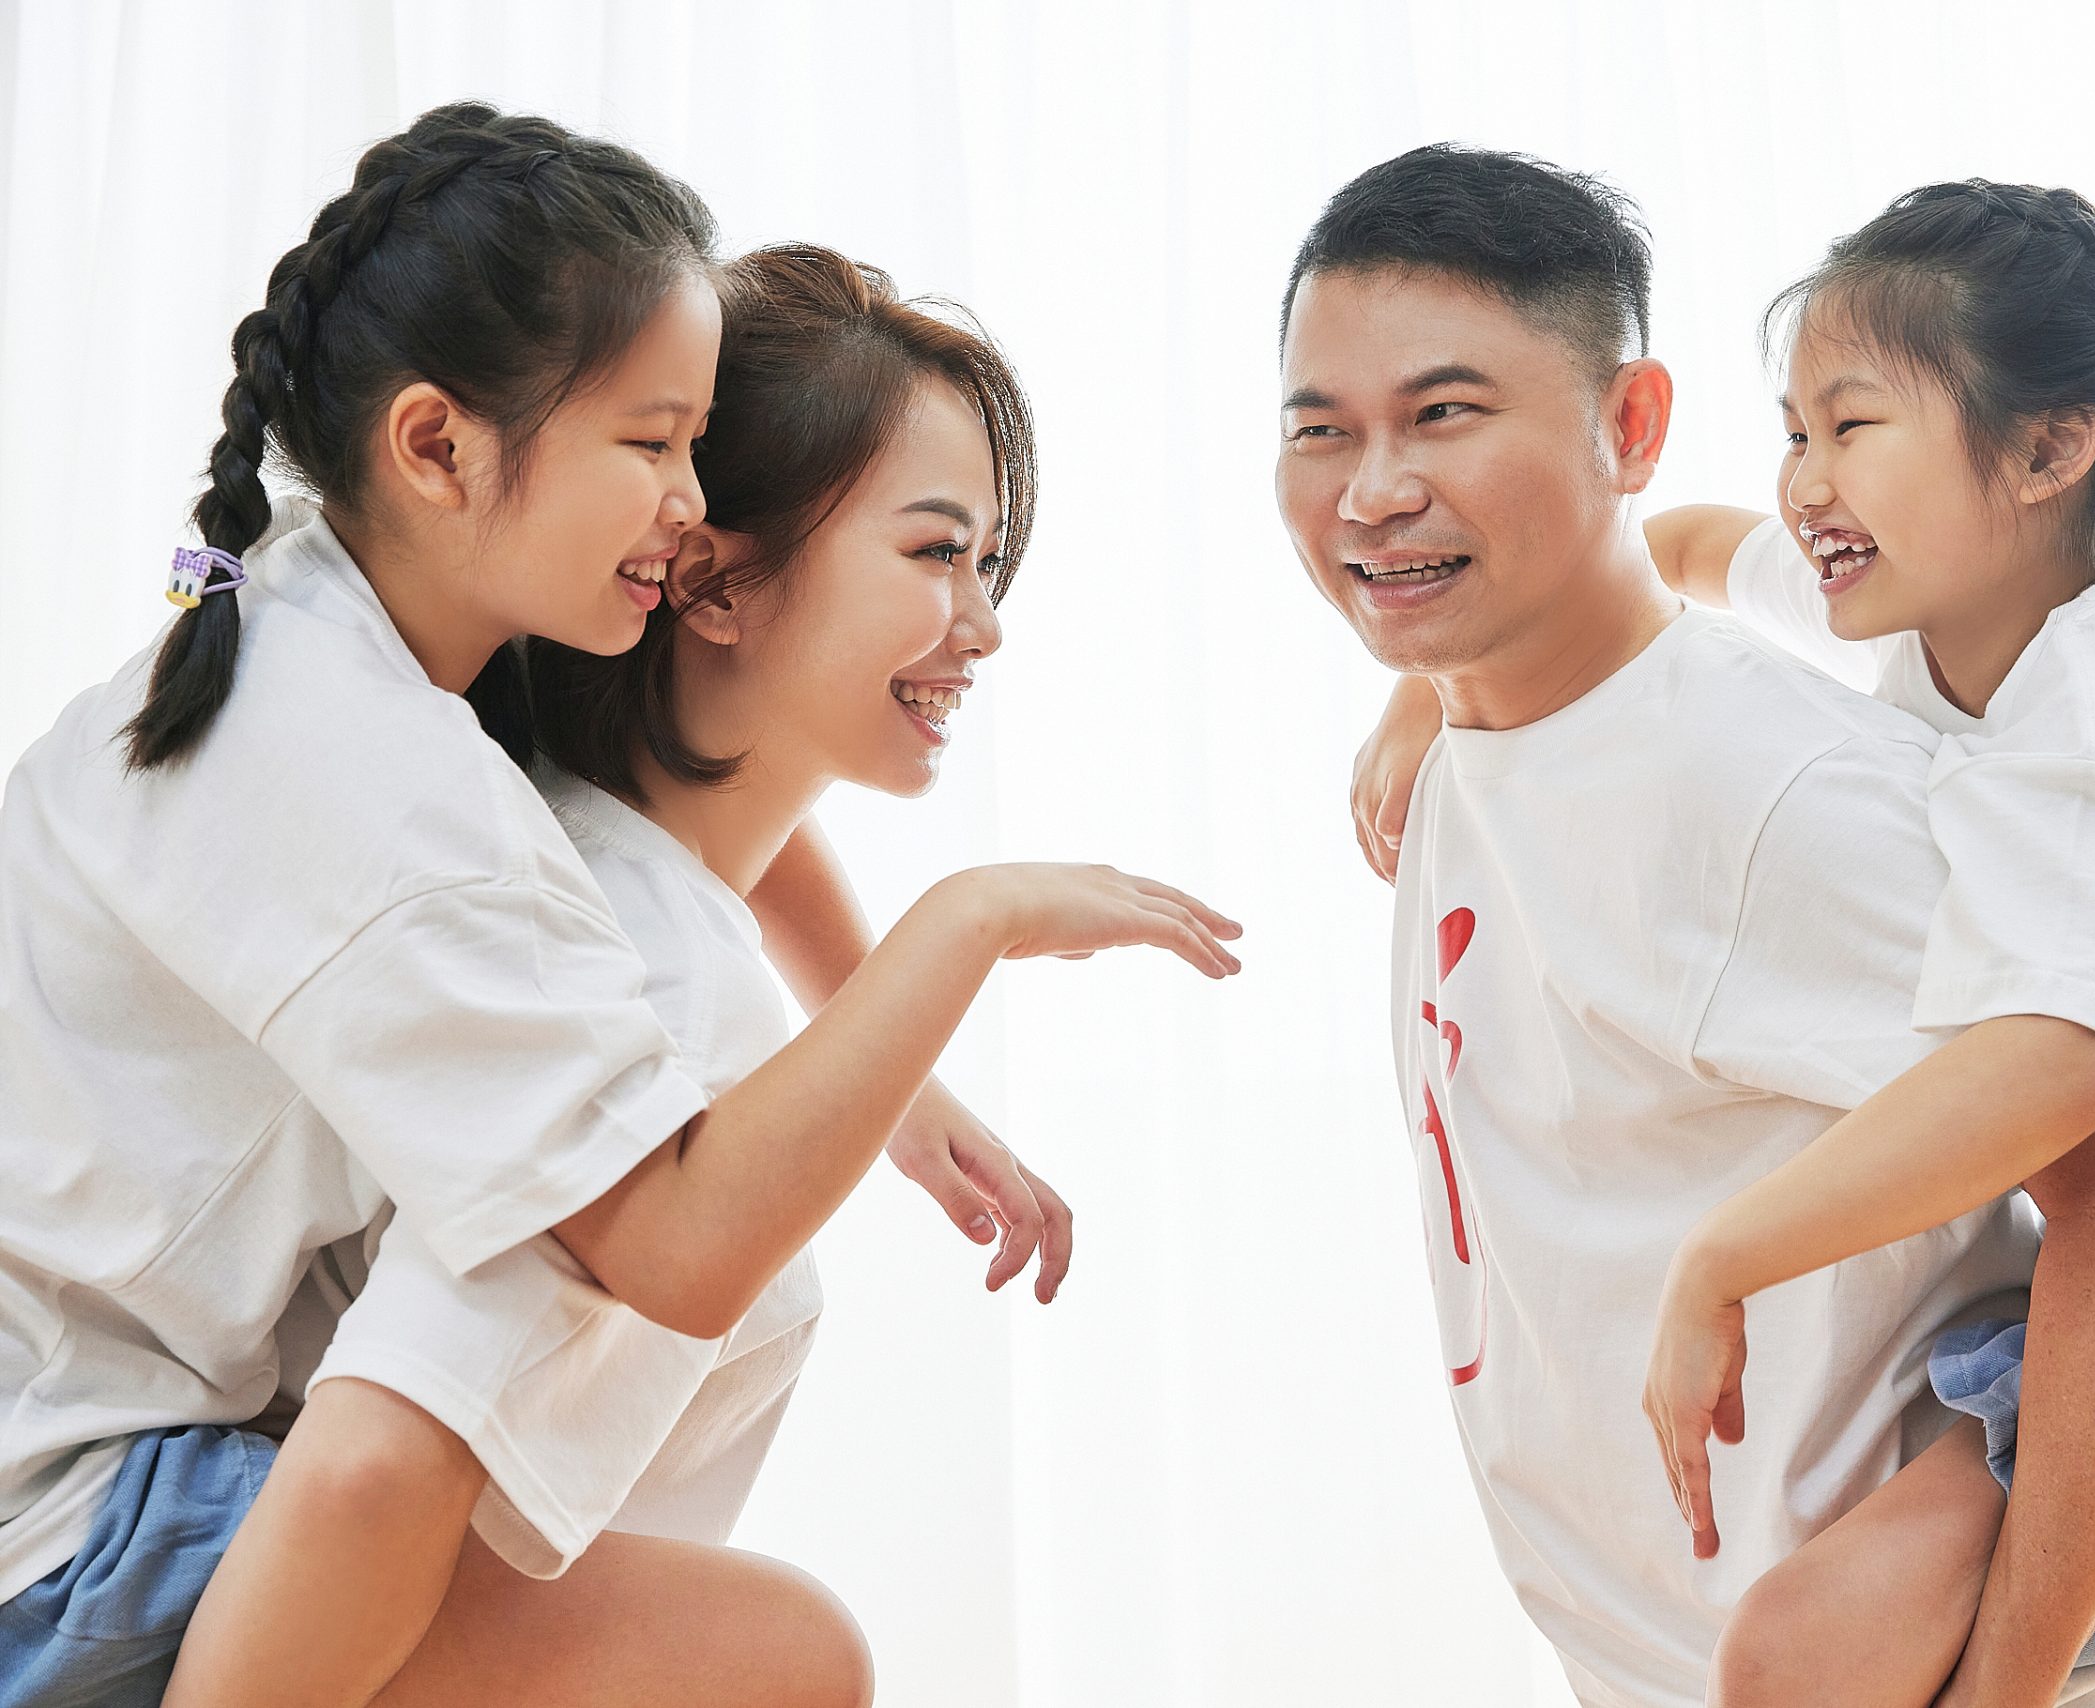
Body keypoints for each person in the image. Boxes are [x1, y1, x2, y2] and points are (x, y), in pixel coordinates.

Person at [0, 108, 1236, 1708]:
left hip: (64, 1453)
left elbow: (701, 817)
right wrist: (970, 923)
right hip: (71, 1536)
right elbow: (646, 1261)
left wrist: (887, 1062)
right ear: (437, 448)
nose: (683, 506)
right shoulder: (437, 832)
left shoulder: (332, 616)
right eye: (654, 448)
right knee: (790, 1659)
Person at [1345, 173, 2095, 1706]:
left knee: (1809, 1654)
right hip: (2091, 1314)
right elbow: (1678, 541)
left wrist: (1731, 1254)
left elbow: (2071, 1075)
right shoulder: (1929, 587)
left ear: (2048, 451)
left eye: (1852, 427)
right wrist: (1438, 677)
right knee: (1806, 1646)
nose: (1804, 482)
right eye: (1795, 431)